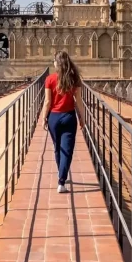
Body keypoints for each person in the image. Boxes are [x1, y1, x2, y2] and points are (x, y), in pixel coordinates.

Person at [38, 51, 85, 193]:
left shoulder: (50, 79)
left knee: (58, 147)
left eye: (54, 61)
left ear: (57, 64)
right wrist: (82, 118)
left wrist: (43, 118)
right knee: (67, 150)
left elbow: (47, 102)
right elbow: (79, 101)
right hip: (69, 117)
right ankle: (61, 181)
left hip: (54, 118)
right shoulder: (74, 78)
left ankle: (61, 173)